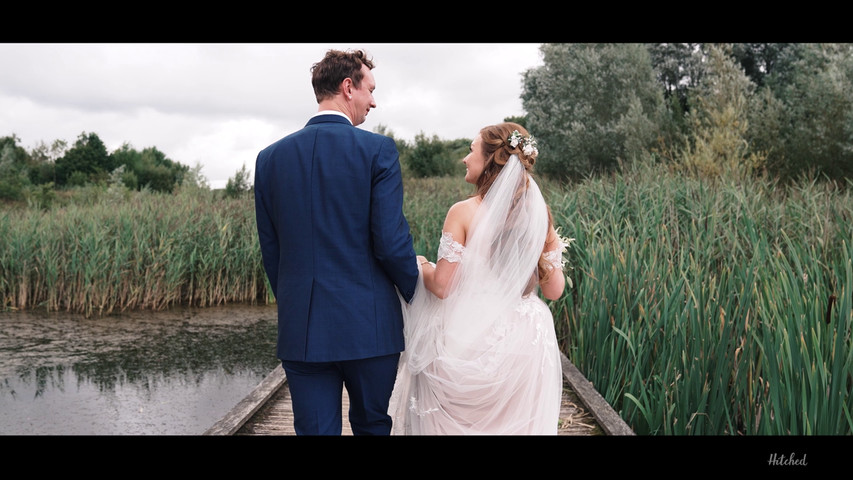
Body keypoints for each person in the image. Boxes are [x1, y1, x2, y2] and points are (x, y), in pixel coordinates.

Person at [254, 49, 419, 435]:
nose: (373, 101)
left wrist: (297, 300)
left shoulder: (269, 159)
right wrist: (416, 294)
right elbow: (391, 243)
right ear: (348, 87)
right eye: (370, 90)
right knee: (373, 425)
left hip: (303, 327)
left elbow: (271, 249)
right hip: (370, 326)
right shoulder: (378, 151)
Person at [388, 122, 568, 435]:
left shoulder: (463, 211)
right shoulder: (540, 216)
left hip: (469, 335)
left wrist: (423, 266)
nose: (465, 159)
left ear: (489, 160)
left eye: (471, 151)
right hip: (527, 338)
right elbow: (554, 290)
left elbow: (443, 286)